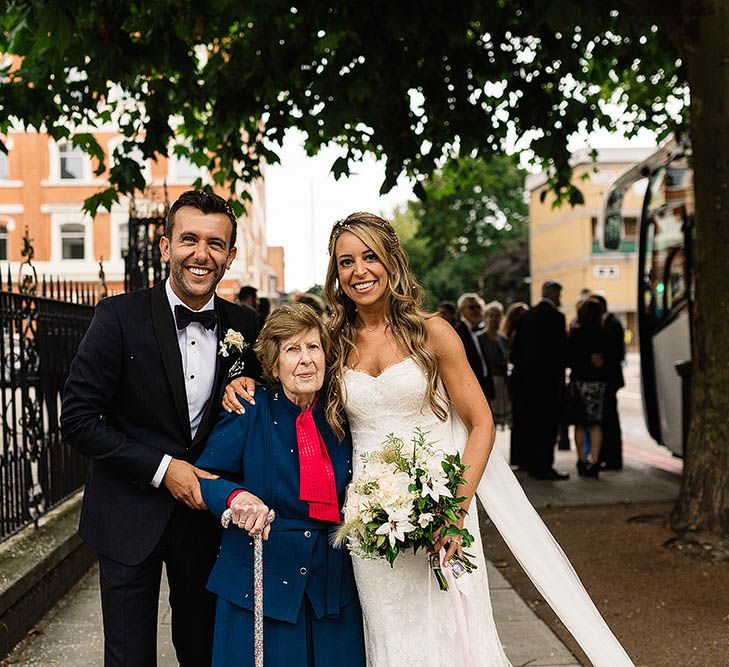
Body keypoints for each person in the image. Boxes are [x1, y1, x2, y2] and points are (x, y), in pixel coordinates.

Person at [227, 213, 635, 667]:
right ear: (336, 274)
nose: (359, 270)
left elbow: (481, 424)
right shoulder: (334, 341)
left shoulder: (433, 332)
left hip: (442, 508)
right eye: (346, 262)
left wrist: (455, 513)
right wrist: (240, 383)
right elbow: (291, 374)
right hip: (367, 519)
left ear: (391, 261)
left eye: (369, 257)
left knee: (452, 641)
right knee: (390, 639)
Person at [60, 190, 262, 666]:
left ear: (230, 257)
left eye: (215, 244)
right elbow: (78, 419)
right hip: (127, 514)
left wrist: (255, 383)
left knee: (205, 652)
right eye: (188, 239)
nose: (201, 253)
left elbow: (273, 410)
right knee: (129, 657)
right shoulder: (117, 316)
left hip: (208, 521)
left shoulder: (248, 327)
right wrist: (163, 468)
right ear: (165, 246)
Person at [195, 304, 365, 666]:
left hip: (331, 588)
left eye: (313, 347)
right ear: (273, 366)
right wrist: (236, 497)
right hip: (258, 585)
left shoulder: (344, 415)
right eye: (292, 350)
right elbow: (207, 476)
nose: (305, 360)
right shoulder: (250, 408)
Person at [510, 281, 569, 480]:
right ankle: (544, 466)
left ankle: (529, 461)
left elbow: (515, 350)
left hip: (526, 383)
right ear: (554, 294)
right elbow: (561, 353)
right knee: (547, 426)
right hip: (548, 382)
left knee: (530, 423)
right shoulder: (557, 317)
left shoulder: (526, 316)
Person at [567, 297, 611, 477]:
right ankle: (594, 461)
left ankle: (581, 460)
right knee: (595, 424)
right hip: (596, 383)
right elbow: (611, 358)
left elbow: (568, 358)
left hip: (578, 381)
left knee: (579, 423)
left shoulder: (575, 333)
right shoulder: (604, 333)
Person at [592, 293, 626, 470]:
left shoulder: (611, 324)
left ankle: (613, 459)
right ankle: (608, 457)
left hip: (609, 379)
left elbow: (617, 352)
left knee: (610, 420)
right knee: (606, 419)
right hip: (608, 379)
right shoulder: (609, 323)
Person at [501, 301, 530, 467]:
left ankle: (520, 457)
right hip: (515, 380)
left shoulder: (514, 333)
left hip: (514, 378)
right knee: (517, 419)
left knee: (518, 420)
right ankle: (519, 457)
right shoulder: (512, 335)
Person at [454, 292, 495, 401]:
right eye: (471, 307)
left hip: (484, 386)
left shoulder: (482, 331)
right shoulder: (457, 331)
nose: (476, 310)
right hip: (469, 389)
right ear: (462, 310)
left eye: (478, 306)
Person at [482, 301, 511, 429]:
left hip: (502, 383)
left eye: (497, 315)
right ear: (486, 317)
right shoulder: (480, 338)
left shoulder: (503, 338)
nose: (494, 319)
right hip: (487, 382)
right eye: (491, 315)